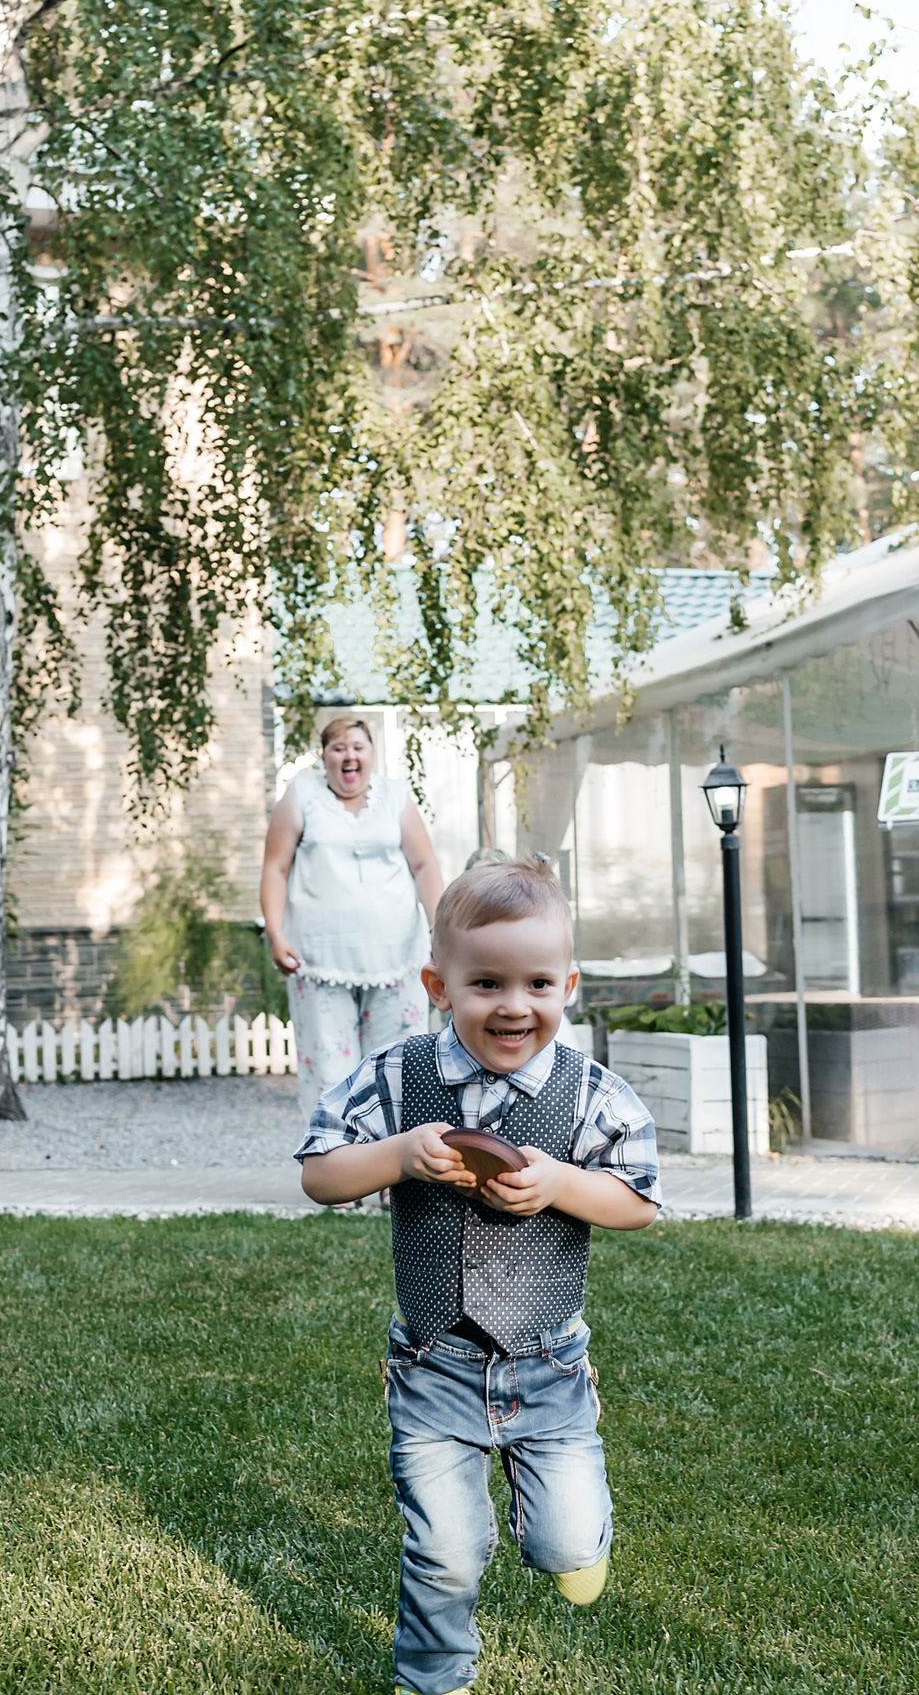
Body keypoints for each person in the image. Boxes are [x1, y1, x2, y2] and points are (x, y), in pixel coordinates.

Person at [295, 859, 659, 1695]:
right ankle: (434, 1676)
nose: (514, 1005)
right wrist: (396, 1155)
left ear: (568, 982)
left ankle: (579, 1541)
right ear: (438, 983)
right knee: (445, 1549)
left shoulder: (591, 1093)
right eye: (486, 981)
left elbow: (639, 1199)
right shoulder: (397, 1077)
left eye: (538, 982)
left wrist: (563, 1183)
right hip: (433, 1366)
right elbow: (318, 1172)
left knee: (562, 1540)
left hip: (549, 1364)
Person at [261, 716, 448, 1118]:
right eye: (339, 748)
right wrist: (275, 933)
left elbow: (424, 866)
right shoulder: (301, 795)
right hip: (319, 960)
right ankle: (338, 1169)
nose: (349, 756)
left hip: (398, 958)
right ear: (324, 757)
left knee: (397, 1068)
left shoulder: (395, 797)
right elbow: (275, 867)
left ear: (371, 755)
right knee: (330, 1071)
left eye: (358, 747)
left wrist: (441, 931)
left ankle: (396, 1173)